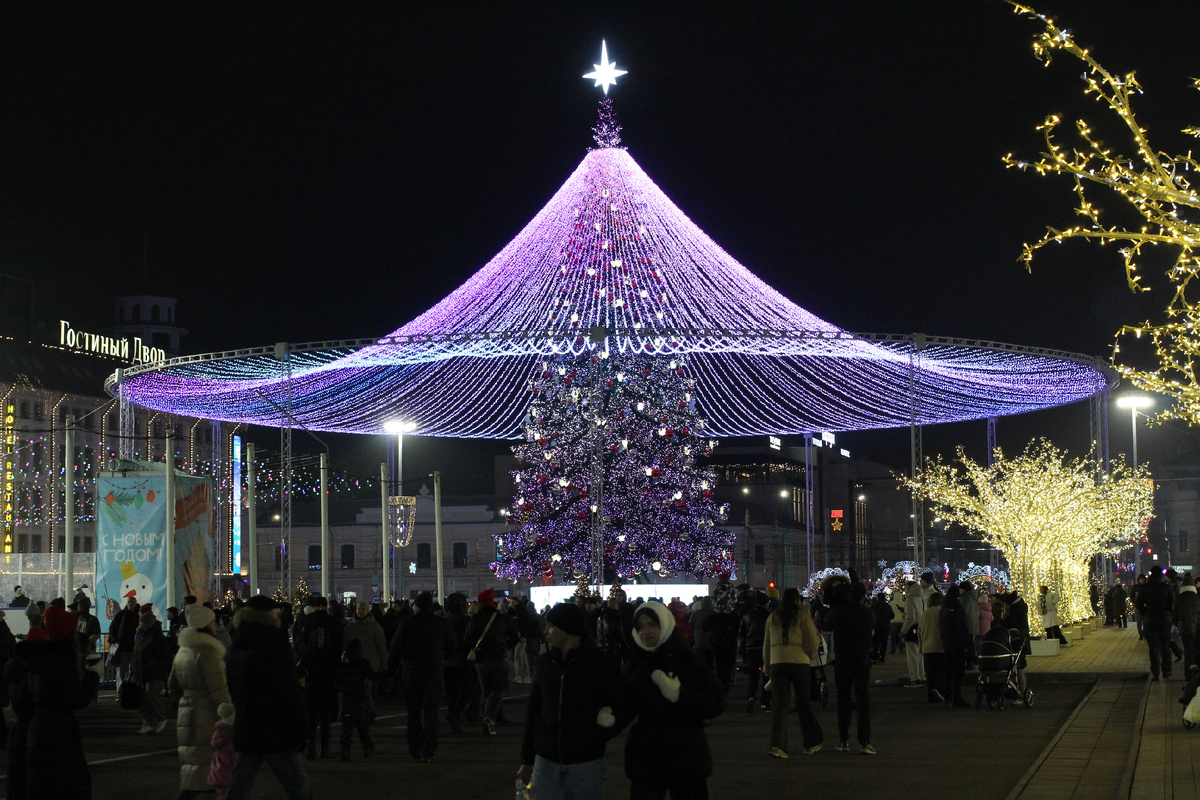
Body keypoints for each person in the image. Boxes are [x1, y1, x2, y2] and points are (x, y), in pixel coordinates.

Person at [517, 602, 626, 799]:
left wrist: (598, 734)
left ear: (569, 628)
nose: (546, 631)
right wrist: (527, 758)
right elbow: (534, 710)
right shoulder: (545, 663)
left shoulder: (599, 663)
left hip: (586, 763)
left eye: (552, 626)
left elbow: (623, 704)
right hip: (546, 761)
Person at [624, 601, 725, 799]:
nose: (646, 632)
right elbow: (624, 704)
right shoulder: (635, 663)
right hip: (647, 757)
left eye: (653, 624)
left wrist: (680, 695)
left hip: (686, 755)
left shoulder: (686, 659)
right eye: (640, 626)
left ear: (665, 624)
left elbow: (716, 702)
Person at [224, 595, 312, 800]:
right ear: (267, 615)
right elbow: (286, 688)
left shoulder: (236, 644)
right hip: (275, 726)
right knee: (296, 784)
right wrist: (300, 726)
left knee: (240, 782)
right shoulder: (274, 642)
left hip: (247, 723)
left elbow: (231, 685)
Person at [5, 605, 97, 800]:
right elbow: (74, 698)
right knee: (61, 785)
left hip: (33, 733)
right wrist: (92, 677)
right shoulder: (56, 663)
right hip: (55, 734)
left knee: (33, 785)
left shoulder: (29, 664)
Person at [168, 603, 233, 800]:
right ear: (206, 624)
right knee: (211, 771)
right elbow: (218, 689)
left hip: (187, 712)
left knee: (194, 770)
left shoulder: (183, 651)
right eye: (212, 621)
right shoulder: (208, 651)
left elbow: (172, 686)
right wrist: (229, 714)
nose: (215, 625)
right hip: (208, 714)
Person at [389, 591, 456, 762]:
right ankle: (429, 749)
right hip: (434, 672)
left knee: (413, 713)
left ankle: (414, 747)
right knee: (431, 714)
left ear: (417, 607)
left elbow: (395, 648)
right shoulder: (442, 624)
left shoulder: (407, 623)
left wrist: (392, 667)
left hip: (412, 673)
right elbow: (451, 648)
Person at [762, 587, 823, 758]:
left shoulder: (772, 618)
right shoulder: (803, 616)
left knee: (780, 704)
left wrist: (768, 666)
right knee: (803, 703)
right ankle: (810, 742)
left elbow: (766, 644)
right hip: (799, 663)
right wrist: (810, 655)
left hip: (778, 663)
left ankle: (777, 746)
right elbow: (812, 640)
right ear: (797, 600)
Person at [825, 582, 876, 753]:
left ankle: (843, 740)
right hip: (862, 657)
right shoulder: (868, 613)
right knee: (863, 700)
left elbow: (826, 625)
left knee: (843, 699)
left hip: (843, 658)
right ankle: (865, 742)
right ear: (863, 596)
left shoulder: (838, 611)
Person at [465, 588, 518, 736]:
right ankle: (489, 718)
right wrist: (505, 647)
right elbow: (515, 637)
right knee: (497, 690)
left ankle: (487, 715)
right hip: (500, 658)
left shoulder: (474, 620)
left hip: (481, 660)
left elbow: (468, 640)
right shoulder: (503, 618)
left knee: (486, 691)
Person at [294, 595, 340, 761]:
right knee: (326, 719)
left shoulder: (309, 653)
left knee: (312, 721)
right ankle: (325, 749)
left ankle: (311, 749)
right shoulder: (331, 653)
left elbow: (298, 671)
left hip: (311, 687)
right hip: (327, 686)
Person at [342, 601, 388, 719]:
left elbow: (381, 647)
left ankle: (368, 712)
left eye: (362, 609)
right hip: (354, 664)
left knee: (366, 689)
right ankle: (367, 712)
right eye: (358, 609)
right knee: (362, 691)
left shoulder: (374, 627)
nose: (360, 611)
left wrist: (383, 664)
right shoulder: (350, 626)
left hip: (371, 663)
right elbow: (344, 644)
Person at [335, 638, 378, 761]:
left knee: (346, 728)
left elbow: (336, 680)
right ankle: (366, 748)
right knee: (362, 726)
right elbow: (373, 676)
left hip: (345, 698)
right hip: (359, 698)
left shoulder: (341, 664)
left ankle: (345, 750)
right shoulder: (362, 663)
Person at [442, 592, 478, 734]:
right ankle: (454, 715)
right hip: (463, 660)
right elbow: (471, 639)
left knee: (452, 692)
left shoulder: (444, 620)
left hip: (447, 661)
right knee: (468, 690)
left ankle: (454, 718)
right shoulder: (467, 621)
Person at [131, 611, 172, 734]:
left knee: (151, 696)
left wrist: (149, 667)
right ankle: (148, 722)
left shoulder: (156, 637)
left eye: (141, 622)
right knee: (144, 698)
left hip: (153, 672)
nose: (139, 624)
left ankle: (161, 718)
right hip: (143, 671)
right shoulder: (142, 635)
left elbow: (160, 656)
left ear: (146, 623)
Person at [1135, 570, 1176, 681]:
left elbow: (1138, 604)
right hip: (1164, 618)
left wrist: (1146, 612)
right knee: (1165, 645)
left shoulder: (1145, 588)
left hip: (1151, 619)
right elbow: (1171, 603)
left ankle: (1156, 673)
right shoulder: (1167, 587)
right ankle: (1167, 671)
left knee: (1153, 647)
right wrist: (1167, 613)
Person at [939, 585, 972, 707]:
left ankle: (947, 697)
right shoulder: (958, 608)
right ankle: (957, 697)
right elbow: (962, 628)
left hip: (947, 643)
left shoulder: (943, 609)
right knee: (958, 672)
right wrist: (966, 644)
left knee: (948, 670)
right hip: (957, 644)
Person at [739, 590, 771, 712]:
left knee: (753, 676)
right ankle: (765, 702)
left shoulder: (747, 615)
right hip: (765, 648)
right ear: (766, 603)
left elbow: (742, 632)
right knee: (766, 675)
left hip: (750, 648)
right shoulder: (769, 616)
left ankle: (751, 697)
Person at [919, 592, 945, 704]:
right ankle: (938, 690)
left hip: (927, 647)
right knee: (941, 670)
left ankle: (931, 696)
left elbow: (920, 631)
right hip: (940, 646)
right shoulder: (941, 612)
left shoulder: (925, 614)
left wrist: (921, 646)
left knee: (930, 672)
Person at [900, 580, 926, 688]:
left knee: (912, 655)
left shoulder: (910, 599)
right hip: (920, 628)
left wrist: (903, 631)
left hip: (911, 629)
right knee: (919, 654)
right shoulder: (921, 599)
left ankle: (915, 678)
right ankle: (921, 676)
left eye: (906, 587)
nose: (905, 589)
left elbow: (910, 618)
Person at [209, 703, 236, 800]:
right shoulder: (233, 735)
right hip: (229, 769)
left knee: (222, 793)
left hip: (218, 767)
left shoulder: (219, 732)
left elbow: (213, 743)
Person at [1175, 574, 1199, 671]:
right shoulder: (1197, 598)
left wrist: (1176, 624)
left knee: (1187, 650)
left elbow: (1175, 614)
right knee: (1196, 650)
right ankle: (1196, 672)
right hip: (1196, 628)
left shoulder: (1179, 598)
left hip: (1184, 628)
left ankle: (1187, 673)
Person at [869, 590, 893, 664]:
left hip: (876, 626)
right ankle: (882, 658)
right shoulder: (888, 606)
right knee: (884, 643)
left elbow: (870, 616)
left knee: (875, 642)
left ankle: (875, 657)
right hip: (885, 627)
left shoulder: (873, 606)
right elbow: (892, 615)